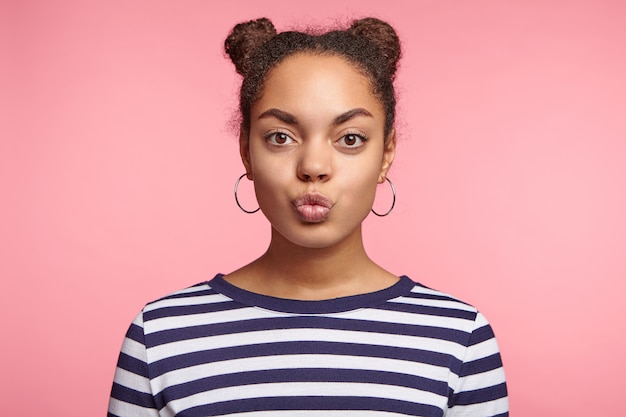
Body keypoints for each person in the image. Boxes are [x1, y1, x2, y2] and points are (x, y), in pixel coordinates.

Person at [108, 17, 508, 417]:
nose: (313, 166)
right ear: (247, 151)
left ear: (386, 153)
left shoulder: (459, 339)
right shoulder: (160, 336)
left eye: (350, 139)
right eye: (280, 137)